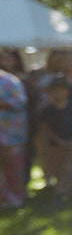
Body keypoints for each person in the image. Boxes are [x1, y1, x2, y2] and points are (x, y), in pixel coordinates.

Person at [0, 64, 27, 207]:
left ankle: (15, 197)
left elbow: (20, 101)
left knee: (13, 165)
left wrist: (3, 104)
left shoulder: (9, 81)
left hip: (10, 133)